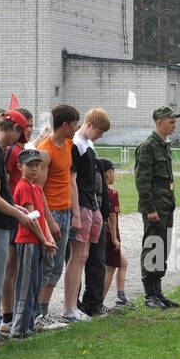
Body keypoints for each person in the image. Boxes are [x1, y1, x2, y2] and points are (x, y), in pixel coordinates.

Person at [0, 109, 35, 347]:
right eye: (18, 136)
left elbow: (1, 195)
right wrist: (18, 214)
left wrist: (17, 208)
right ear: (12, 129)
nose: (16, 142)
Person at [35, 104, 80, 328]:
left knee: (57, 267)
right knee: (47, 264)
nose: (77, 128)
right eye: (74, 124)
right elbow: (38, 189)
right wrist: (50, 221)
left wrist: (73, 212)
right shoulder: (46, 151)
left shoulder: (70, 144)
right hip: (51, 212)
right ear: (65, 125)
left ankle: (44, 311)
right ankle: (38, 314)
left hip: (65, 211)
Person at [63, 108, 109, 322]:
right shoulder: (76, 146)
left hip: (91, 204)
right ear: (89, 125)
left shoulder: (88, 145)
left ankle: (75, 306)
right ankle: (69, 307)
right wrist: (75, 213)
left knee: (84, 256)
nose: (100, 136)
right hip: (81, 204)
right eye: (99, 131)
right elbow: (71, 181)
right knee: (76, 256)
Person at [135, 105, 180, 308]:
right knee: (152, 246)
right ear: (159, 122)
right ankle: (149, 295)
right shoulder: (148, 146)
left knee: (163, 247)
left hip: (166, 206)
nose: (174, 125)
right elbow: (142, 182)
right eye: (171, 121)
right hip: (155, 207)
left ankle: (158, 292)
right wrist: (150, 209)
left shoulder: (164, 145)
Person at [11, 148, 57, 338]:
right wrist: (43, 239)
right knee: (26, 284)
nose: (35, 169)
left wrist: (48, 238)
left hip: (38, 240)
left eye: (38, 165)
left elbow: (42, 215)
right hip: (29, 240)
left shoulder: (36, 187)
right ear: (20, 166)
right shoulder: (23, 186)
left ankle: (29, 324)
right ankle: (19, 327)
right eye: (30, 165)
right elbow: (31, 218)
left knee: (36, 283)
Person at [101, 161, 131, 307]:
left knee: (123, 263)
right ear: (107, 173)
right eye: (113, 171)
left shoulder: (97, 190)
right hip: (110, 234)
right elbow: (112, 216)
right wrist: (114, 238)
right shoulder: (111, 192)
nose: (114, 174)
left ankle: (121, 296)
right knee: (111, 268)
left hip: (101, 234)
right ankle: (99, 302)